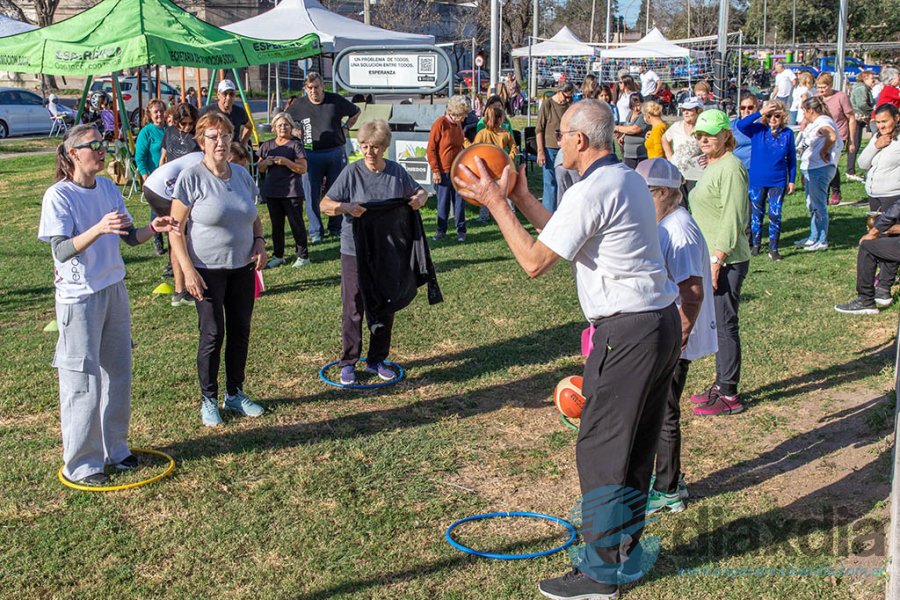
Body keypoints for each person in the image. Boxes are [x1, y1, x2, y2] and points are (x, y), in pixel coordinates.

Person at [454, 99, 680, 600]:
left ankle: (600, 575)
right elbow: (568, 232)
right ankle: (624, 554)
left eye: (563, 137)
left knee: (601, 448)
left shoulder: (593, 190)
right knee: (637, 445)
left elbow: (535, 262)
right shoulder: (624, 180)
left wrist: (497, 203)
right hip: (659, 324)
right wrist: (521, 194)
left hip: (628, 332)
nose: (557, 143)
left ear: (580, 140)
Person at [38, 124, 177, 484]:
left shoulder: (108, 186)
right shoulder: (59, 196)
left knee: (118, 372)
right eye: (93, 146)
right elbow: (61, 249)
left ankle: (116, 449)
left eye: (103, 144)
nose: (102, 151)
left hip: (113, 288)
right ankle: (83, 464)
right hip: (78, 297)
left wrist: (154, 228)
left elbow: (129, 237)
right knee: (82, 381)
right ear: (73, 154)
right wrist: (98, 228)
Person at [169, 112, 268, 427]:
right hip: (206, 270)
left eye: (225, 136)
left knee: (241, 330)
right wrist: (187, 272)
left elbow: (252, 214)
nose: (221, 142)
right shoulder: (191, 178)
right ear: (202, 142)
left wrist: (260, 242)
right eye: (213, 137)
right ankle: (208, 400)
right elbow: (174, 229)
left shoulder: (240, 174)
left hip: (242, 267)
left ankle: (235, 393)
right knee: (213, 333)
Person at [635, 158, 717, 515]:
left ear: (666, 192)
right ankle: (671, 478)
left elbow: (692, 291)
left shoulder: (678, 230)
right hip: (670, 333)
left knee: (664, 411)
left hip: (675, 338)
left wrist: (679, 337)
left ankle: (667, 488)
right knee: (663, 408)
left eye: (645, 194)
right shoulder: (667, 223)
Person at [320, 120, 429, 385]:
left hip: (387, 250)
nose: (370, 152)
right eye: (365, 146)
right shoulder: (351, 172)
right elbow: (325, 204)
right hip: (353, 250)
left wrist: (419, 200)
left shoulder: (395, 172)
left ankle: (376, 359)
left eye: (376, 147)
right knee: (353, 305)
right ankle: (348, 362)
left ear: (385, 147)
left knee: (384, 302)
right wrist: (346, 208)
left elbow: (422, 192)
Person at [687, 110, 750, 417]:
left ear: (726, 134)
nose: (703, 140)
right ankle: (721, 383)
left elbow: (735, 216)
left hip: (727, 260)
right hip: (712, 257)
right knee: (718, 324)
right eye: (700, 135)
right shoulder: (715, 164)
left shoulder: (732, 167)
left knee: (725, 325)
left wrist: (717, 258)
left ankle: (729, 393)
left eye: (709, 135)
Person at [833, 103, 900, 314]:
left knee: (887, 236)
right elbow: (862, 163)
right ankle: (876, 289)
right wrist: (876, 145)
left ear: (896, 118)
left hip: (893, 195)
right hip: (875, 194)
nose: (881, 126)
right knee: (878, 235)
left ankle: (883, 288)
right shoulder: (877, 138)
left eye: (885, 121)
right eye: (878, 122)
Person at [287, 72, 361, 243]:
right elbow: (284, 120)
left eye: (317, 87)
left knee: (336, 191)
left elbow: (356, 112)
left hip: (335, 151)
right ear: (306, 89)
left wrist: (346, 127)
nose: (314, 91)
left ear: (323, 87)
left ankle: (336, 227)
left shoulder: (335, 100)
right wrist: (294, 131)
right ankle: (315, 232)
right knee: (311, 193)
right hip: (310, 154)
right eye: (310, 88)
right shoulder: (299, 104)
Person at [736, 100, 796, 261]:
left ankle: (773, 247)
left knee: (775, 214)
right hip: (757, 179)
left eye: (776, 115)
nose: (773, 119)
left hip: (778, 180)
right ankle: (756, 244)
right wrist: (761, 112)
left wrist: (792, 179)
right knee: (756, 213)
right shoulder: (757, 130)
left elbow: (791, 158)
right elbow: (741, 125)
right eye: (770, 116)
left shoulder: (787, 133)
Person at [143, 150, 205, 307]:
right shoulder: (203, 163)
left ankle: (181, 290)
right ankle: (181, 291)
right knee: (179, 235)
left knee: (179, 235)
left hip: (155, 185)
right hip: (160, 191)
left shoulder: (201, 156)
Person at [258, 112, 310, 270]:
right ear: (273, 128)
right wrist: (266, 162)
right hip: (273, 191)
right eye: (279, 125)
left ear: (291, 127)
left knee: (297, 224)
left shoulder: (296, 145)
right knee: (276, 225)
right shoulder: (266, 146)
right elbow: (259, 168)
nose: (283, 127)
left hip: (292, 192)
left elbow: (303, 169)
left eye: (286, 124)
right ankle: (278, 255)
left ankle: (303, 255)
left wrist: (287, 162)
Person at [795, 96, 842, 251]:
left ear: (811, 110)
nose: (803, 114)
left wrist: (823, 150)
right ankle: (813, 236)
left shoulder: (823, 122)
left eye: (804, 110)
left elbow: (832, 136)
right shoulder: (815, 123)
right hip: (811, 168)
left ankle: (822, 240)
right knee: (812, 204)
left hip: (820, 169)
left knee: (818, 205)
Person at [427, 95, 470, 241]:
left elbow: (459, 145)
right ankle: (441, 230)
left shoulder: (458, 125)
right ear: (456, 113)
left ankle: (461, 230)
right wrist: (436, 170)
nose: (464, 118)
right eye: (463, 115)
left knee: (459, 201)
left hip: (457, 169)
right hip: (443, 171)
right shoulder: (440, 124)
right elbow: (431, 149)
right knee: (443, 203)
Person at [813, 73, 855, 206]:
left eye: (823, 87)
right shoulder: (816, 98)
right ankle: (823, 193)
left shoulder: (840, 97)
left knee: (831, 163)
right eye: (818, 87)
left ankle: (835, 190)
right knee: (822, 164)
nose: (821, 90)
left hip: (838, 135)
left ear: (830, 85)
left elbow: (851, 118)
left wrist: (852, 140)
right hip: (821, 135)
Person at [135, 99, 167, 256]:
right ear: (150, 114)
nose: (159, 114)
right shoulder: (146, 132)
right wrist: (145, 177)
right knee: (157, 208)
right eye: (156, 112)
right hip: (154, 176)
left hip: (169, 175)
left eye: (161, 111)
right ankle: (157, 238)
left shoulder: (169, 129)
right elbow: (139, 157)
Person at [536, 82, 574, 212]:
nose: (568, 100)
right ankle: (547, 215)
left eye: (571, 97)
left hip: (565, 148)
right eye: (567, 97)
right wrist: (540, 151)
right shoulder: (548, 104)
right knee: (550, 182)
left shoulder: (570, 105)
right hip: (549, 148)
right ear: (559, 92)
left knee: (565, 182)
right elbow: (539, 129)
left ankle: (564, 211)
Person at [662, 97, 706, 195]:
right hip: (677, 173)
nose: (685, 112)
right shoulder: (676, 126)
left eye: (689, 110)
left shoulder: (703, 128)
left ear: (698, 111)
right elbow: (664, 138)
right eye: (683, 110)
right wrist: (669, 157)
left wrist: (709, 158)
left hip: (696, 175)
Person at [198, 80, 251, 144]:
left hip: (233, 150)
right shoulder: (208, 111)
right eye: (225, 94)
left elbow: (249, 127)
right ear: (218, 95)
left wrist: (243, 143)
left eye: (231, 94)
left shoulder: (239, 112)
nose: (228, 98)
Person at [847, 71, 877, 182]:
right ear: (864, 79)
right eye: (872, 79)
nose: (873, 81)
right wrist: (872, 110)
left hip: (860, 118)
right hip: (857, 118)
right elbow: (861, 104)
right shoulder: (861, 89)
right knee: (854, 144)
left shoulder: (864, 88)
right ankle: (850, 171)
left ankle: (851, 169)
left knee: (856, 144)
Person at [614, 93, 650, 169]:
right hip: (628, 155)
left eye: (638, 105)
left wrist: (616, 127)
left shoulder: (643, 116)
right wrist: (623, 136)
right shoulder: (630, 114)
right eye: (634, 106)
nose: (637, 108)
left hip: (640, 155)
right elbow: (627, 127)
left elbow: (634, 129)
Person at [731, 93, 756, 171]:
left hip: (756, 169)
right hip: (737, 168)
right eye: (743, 108)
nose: (746, 110)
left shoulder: (761, 126)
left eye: (750, 107)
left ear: (756, 108)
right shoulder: (732, 126)